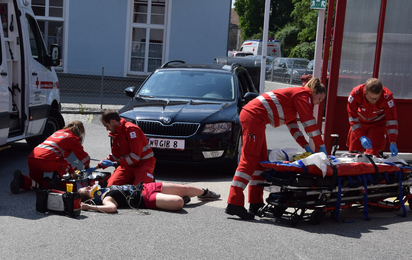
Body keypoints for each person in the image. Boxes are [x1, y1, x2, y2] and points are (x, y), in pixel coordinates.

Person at [226, 77, 327, 220]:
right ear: (314, 91)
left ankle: (255, 203)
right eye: (320, 98)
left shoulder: (294, 101)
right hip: (254, 117)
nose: (318, 103)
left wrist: (305, 146)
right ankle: (234, 203)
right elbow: (309, 122)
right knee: (249, 160)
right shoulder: (304, 94)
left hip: (256, 118)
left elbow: (294, 129)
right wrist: (321, 144)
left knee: (261, 162)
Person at [10, 121, 90, 194]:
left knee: (36, 182)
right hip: (46, 160)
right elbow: (83, 157)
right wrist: (86, 167)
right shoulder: (73, 138)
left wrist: (72, 171)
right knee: (63, 163)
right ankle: (56, 180)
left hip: (33, 158)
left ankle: (21, 180)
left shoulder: (58, 132)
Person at [91, 109, 156, 186]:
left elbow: (135, 157)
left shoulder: (132, 130)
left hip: (143, 164)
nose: (107, 129)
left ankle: (147, 180)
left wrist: (115, 164)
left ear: (112, 122)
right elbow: (115, 155)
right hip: (128, 165)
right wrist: (96, 167)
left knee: (141, 191)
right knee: (111, 187)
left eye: (107, 126)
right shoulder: (116, 133)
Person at [78, 182, 220, 213]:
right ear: (89, 197)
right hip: (145, 199)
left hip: (147, 187)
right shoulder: (106, 199)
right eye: (87, 189)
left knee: (185, 188)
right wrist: (88, 207)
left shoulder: (106, 187)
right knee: (178, 202)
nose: (90, 187)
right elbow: (112, 208)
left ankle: (205, 193)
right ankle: (180, 198)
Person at [347, 78, 398, 157]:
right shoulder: (355, 94)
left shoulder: (387, 97)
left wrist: (392, 141)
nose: (373, 101)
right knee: (354, 153)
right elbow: (352, 118)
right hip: (359, 123)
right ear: (365, 91)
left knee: (373, 154)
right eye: (370, 98)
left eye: (376, 98)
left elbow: (391, 121)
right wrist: (360, 136)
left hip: (377, 124)